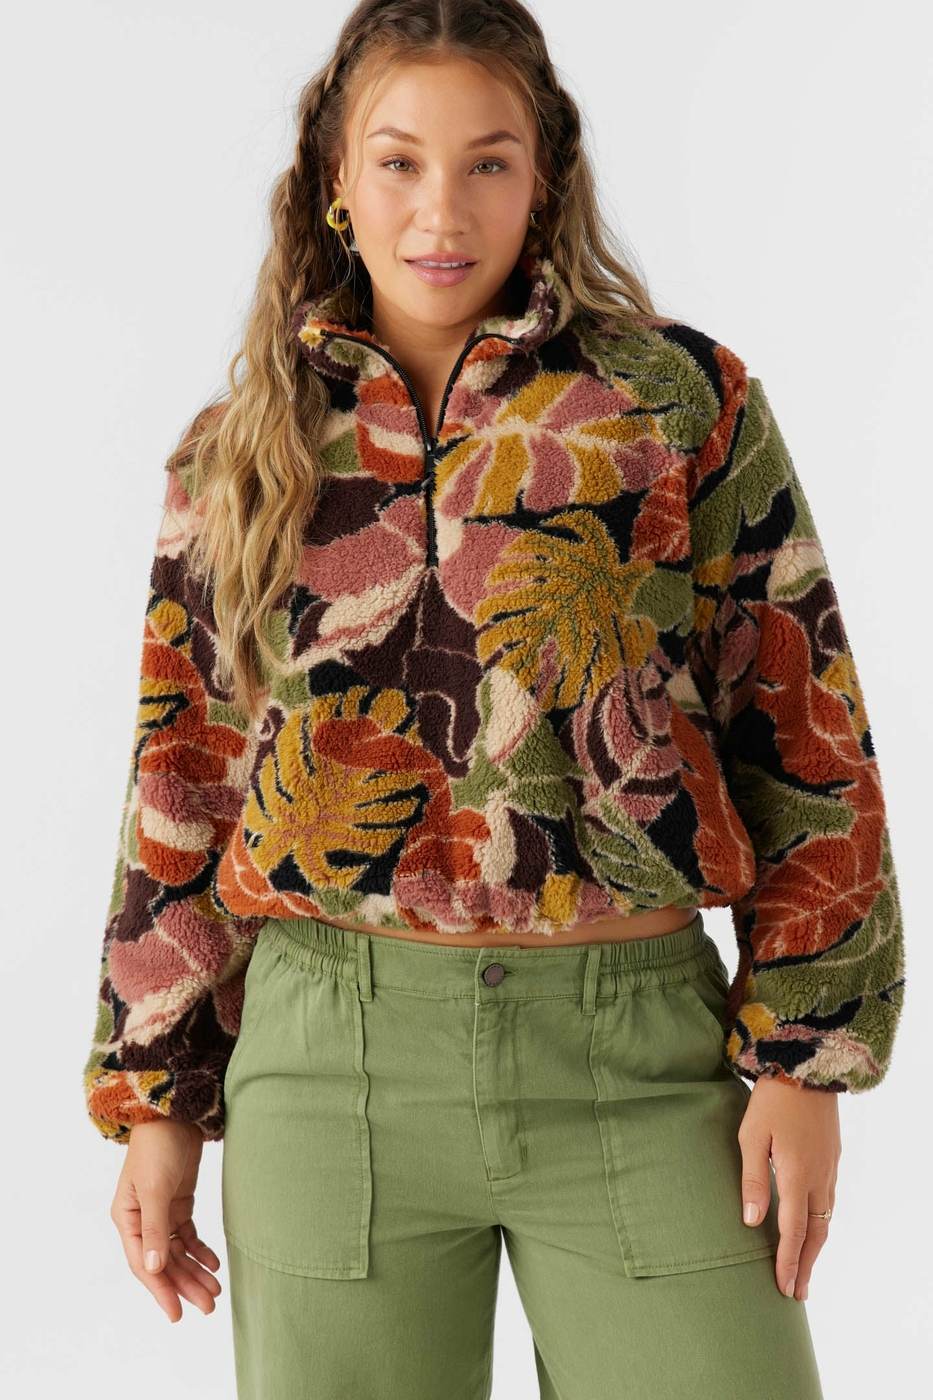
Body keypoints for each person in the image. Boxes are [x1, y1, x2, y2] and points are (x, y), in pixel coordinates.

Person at [82, 1, 905, 1395]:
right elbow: (185, 774)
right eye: (399, 162)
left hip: (638, 1055)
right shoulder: (239, 451)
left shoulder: (675, 403)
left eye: (488, 163)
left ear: (545, 178)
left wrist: (804, 1059)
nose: (441, 211)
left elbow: (800, 715)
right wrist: (157, 1101)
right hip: (329, 1069)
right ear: (334, 180)